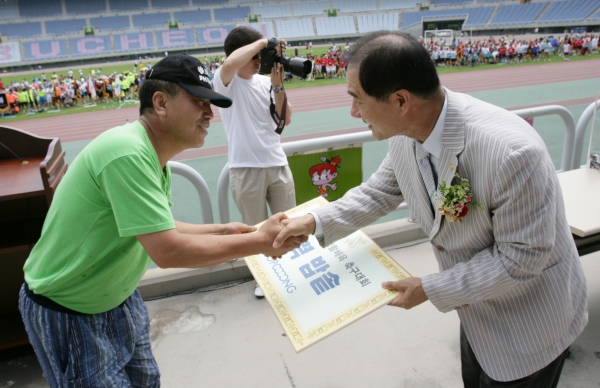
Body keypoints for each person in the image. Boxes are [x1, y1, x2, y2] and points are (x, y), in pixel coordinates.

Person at [273, 31, 588, 387]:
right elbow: (379, 191)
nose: (353, 111)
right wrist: (313, 220)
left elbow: (521, 258)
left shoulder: (510, 154)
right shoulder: (408, 134)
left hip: (531, 323)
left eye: (357, 99)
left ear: (401, 101)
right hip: (476, 309)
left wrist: (431, 288)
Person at [19, 54, 305, 387]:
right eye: (199, 102)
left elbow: (158, 225)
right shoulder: (127, 153)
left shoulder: (151, 155)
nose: (209, 114)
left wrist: (222, 229)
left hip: (117, 297)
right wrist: (258, 242)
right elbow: (167, 251)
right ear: (160, 103)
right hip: (70, 308)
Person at [213, 27, 296, 298]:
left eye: (262, 54)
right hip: (245, 167)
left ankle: (292, 273)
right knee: (256, 230)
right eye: (255, 54)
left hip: (277, 162)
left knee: (288, 225)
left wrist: (278, 85)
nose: (260, 58)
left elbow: (286, 119)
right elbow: (229, 64)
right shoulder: (226, 81)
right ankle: (265, 280)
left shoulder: (264, 82)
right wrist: (262, 41)